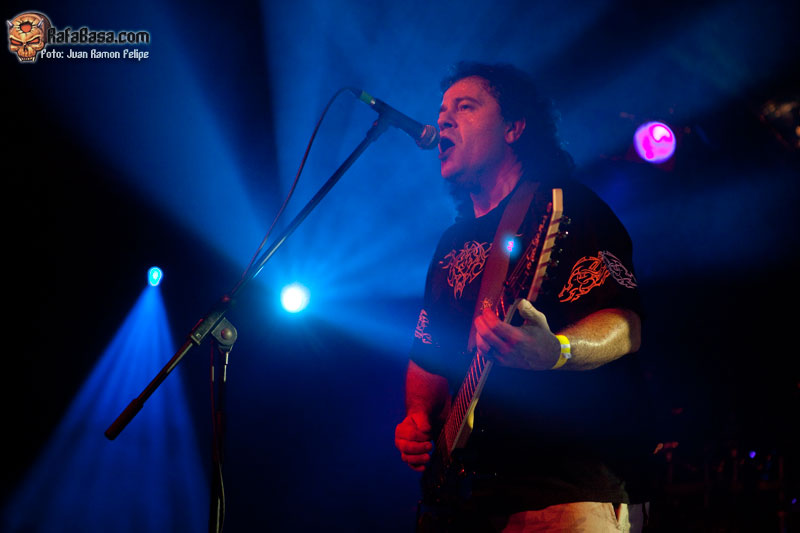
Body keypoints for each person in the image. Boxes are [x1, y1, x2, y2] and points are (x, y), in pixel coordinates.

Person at [394, 62, 652, 532]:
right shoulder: (451, 243)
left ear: (513, 128)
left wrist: (557, 350)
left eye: (465, 107)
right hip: (465, 504)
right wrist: (417, 418)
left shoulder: (567, 208)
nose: (443, 120)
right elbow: (426, 352)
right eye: (442, 111)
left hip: (562, 494)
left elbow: (625, 326)